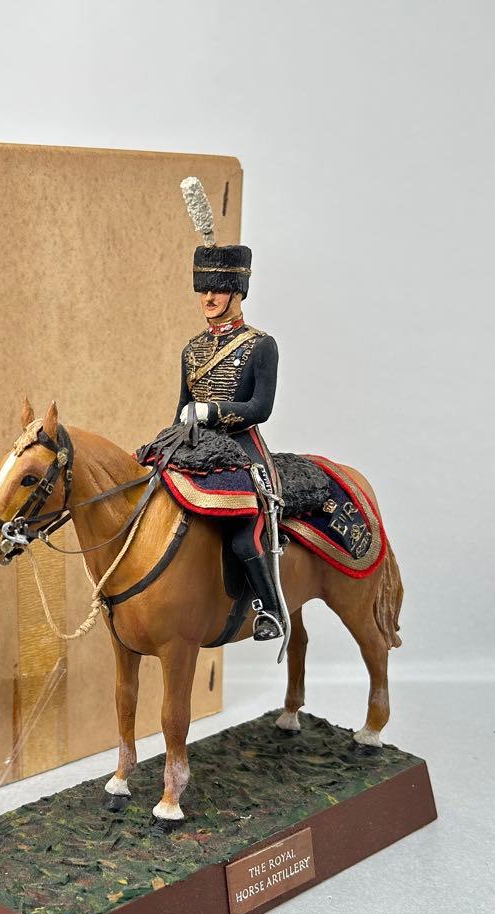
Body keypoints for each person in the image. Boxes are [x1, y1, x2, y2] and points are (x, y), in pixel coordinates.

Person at [173, 177, 283, 641]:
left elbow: (260, 407)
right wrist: (173, 434)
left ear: (237, 292)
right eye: (204, 290)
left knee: (241, 531)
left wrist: (212, 413)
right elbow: (181, 407)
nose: (209, 299)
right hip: (194, 443)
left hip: (241, 447)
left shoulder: (261, 345)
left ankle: (270, 610)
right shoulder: (192, 349)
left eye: (218, 290)